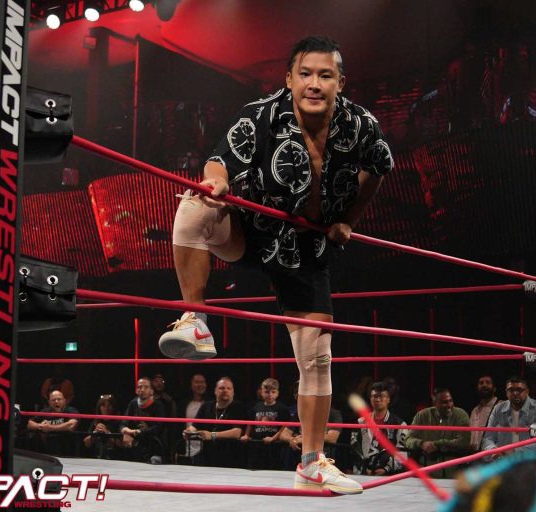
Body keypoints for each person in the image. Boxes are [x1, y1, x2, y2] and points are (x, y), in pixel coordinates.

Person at [159, 35, 393, 494]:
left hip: (306, 250)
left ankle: (310, 464)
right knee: (194, 205)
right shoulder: (261, 115)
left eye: (325, 75)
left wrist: (348, 219)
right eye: (305, 74)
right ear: (289, 78)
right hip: (251, 231)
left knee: (317, 358)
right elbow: (218, 161)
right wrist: (216, 183)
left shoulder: (361, 125)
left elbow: (378, 168)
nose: (314, 83)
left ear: (340, 82)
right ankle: (196, 320)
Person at [404, 388, 470, 478]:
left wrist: (437, 444)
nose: (449, 405)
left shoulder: (461, 415)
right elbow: (408, 440)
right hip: (425, 473)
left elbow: (463, 442)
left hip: (453, 473)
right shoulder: (422, 415)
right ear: (435, 403)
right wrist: (422, 444)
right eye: (444, 402)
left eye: (450, 401)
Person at [184, 376, 246, 468]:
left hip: (230, 457)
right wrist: (188, 431)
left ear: (233, 392)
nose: (225, 390)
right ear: (215, 391)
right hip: (208, 456)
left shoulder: (238, 407)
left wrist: (212, 435)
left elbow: (237, 432)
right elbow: (195, 426)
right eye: (222, 388)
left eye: (228, 388)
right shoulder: (206, 406)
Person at [481, 376, 536, 457]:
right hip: (503, 461)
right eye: (511, 390)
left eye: (519, 390)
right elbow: (487, 438)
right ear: (506, 392)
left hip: (530, 461)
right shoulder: (498, 409)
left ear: (527, 391)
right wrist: (493, 450)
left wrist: (515, 451)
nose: (515, 393)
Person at [350, 381, 407, 476]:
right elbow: (354, 448)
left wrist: (386, 469)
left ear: (388, 399)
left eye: (382, 396)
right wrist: (363, 468)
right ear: (370, 399)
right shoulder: (361, 422)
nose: (378, 399)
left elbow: (402, 453)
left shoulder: (400, 424)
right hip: (364, 471)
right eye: (375, 396)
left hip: (389, 474)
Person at [241, 377, 292, 470]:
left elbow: (284, 426)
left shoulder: (282, 408)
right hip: (257, 444)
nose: (270, 395)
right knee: (255, 468)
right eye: (267, 392)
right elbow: (250, 423)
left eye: (273, 392)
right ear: (261, 392)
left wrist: (273, 438)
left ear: (277, 393)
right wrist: (246, 435)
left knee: (273, 468)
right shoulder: (256, 406)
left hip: (274, 446)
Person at [119, 377, 167, 464]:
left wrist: (138, 432)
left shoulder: (158, 405)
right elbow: (123, 423)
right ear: (136, 390)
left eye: (146, 387)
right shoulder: (133, 403)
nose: (142, 389)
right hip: (136, 448)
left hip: (153, 448)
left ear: (151, 391)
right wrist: (125, 432)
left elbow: (159, 427)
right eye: (140, 387)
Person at [26, 389, 79, 456]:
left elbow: (71, 425)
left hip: (67, 448)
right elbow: (30, 424)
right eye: (53, 400)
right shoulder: (45, 411)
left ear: (64, 400)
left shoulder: (71, 410)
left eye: (59, 399)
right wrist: (40, 426)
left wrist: (50, 428)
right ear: (49, 402)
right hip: (47, 449)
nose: (56, 402)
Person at [83, 394, 123, 459]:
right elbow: (86, 443)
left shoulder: (118, 422)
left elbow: (122, 444)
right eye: (103, 405)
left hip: (114, 459)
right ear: (99, 408)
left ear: (113, 407)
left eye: (109, 405)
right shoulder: (96, 421)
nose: (106, 409)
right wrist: (95, 432)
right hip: (97, 458)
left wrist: (108, 432)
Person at [469, 375, 500, 452]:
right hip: (475, 455)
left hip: (494, 454)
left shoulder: (501, 407)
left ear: (494, 388)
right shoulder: (474, 411)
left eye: (488, 382)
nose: (484, 385)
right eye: (481, 383)